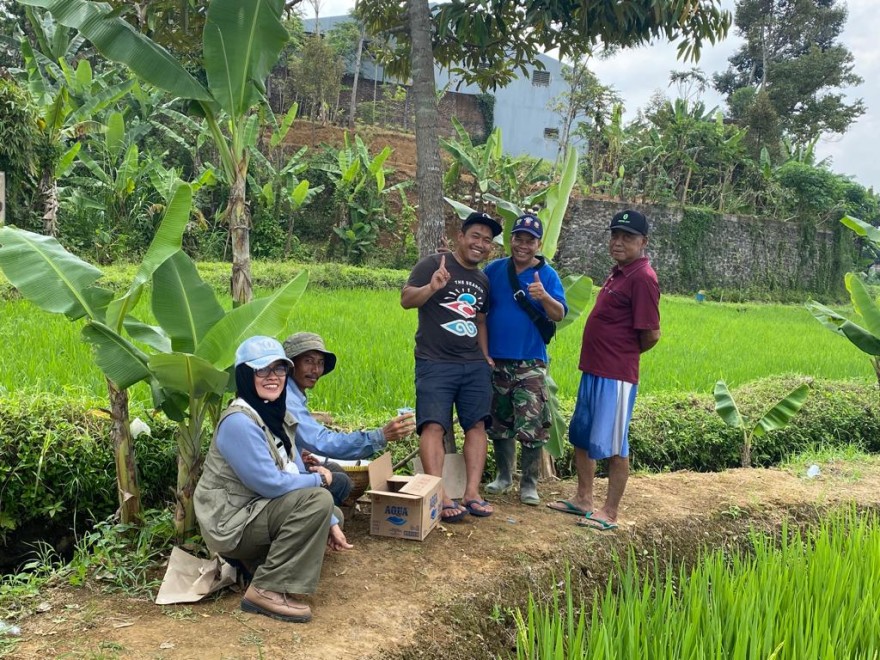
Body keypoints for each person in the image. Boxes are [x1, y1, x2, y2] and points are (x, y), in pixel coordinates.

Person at [194, 336, 353, 624]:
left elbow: (289, 470)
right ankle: (265, 590)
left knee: (332, 513)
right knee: (318, 500)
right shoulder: (239, 422)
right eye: (262, 370)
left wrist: (328, 520)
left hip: (254, 512)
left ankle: (255, 563)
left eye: (279, 370)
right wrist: (318, 483)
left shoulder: (272, 415)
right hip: (231, 523)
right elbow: (270, 483)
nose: (273, 377)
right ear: (245, 375)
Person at [549, 210, 660, 530]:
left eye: (627, 237)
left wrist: (621, 355)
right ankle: (584, 499)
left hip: (617, 376)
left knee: (614, 444)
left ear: (643, 242)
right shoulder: (620, 272)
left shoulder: (643, 278)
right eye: (615, 235)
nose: (618, 242)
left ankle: (610, 512)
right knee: (582, 435)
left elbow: (651, 334)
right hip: (594, 371)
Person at [400, 211, 501, 522]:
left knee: (477, 425)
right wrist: (432, 287)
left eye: (487, 240)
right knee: (433, 425)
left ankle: (471, 492)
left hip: (473, 364)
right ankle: (440, 494)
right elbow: (406, 300)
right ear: (461, 236)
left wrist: (485, 356)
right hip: (435, 362)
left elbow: (480, 320)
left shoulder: (482, 279)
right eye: (475, 236)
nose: (480, 244)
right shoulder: (433, 265)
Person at [483, 214, 567, 505]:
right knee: (499, 421)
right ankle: (504, 476)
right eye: (518, 238)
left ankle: (529, 483)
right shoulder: (493, 270)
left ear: (538, 244)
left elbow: (559, 314)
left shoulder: (548, 275)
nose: (522, 244)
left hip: (530, 362)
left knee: (531, 423)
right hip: (496, 360)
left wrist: (543, 296)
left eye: (529, 240)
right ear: (511, 240)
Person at [282, 331, 416, 504]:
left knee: (334, 470)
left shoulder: (292, 392)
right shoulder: (288, 397)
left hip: (287, 462)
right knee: (341, 482)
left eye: (320, 363)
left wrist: (299, 452)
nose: (315, 370)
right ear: (291, 364)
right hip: (281, 473)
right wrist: (380, 436)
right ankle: (317, 518)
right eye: (308, 361)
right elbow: (323, 442)